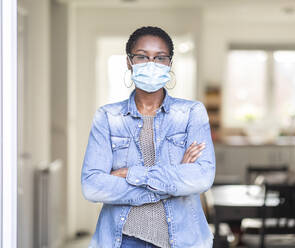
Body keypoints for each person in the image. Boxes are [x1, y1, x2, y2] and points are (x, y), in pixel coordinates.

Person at [81, 26, 216, 248]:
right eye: (142, 56)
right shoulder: (107, 117)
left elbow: (201, 177)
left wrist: (133, 174)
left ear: (169, 63)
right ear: (129, 62)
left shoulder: (192, 112)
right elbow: (92, 186)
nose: (151, 64)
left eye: (160, 57)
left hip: (182, 240)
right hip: (123, 240)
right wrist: (174, 181)